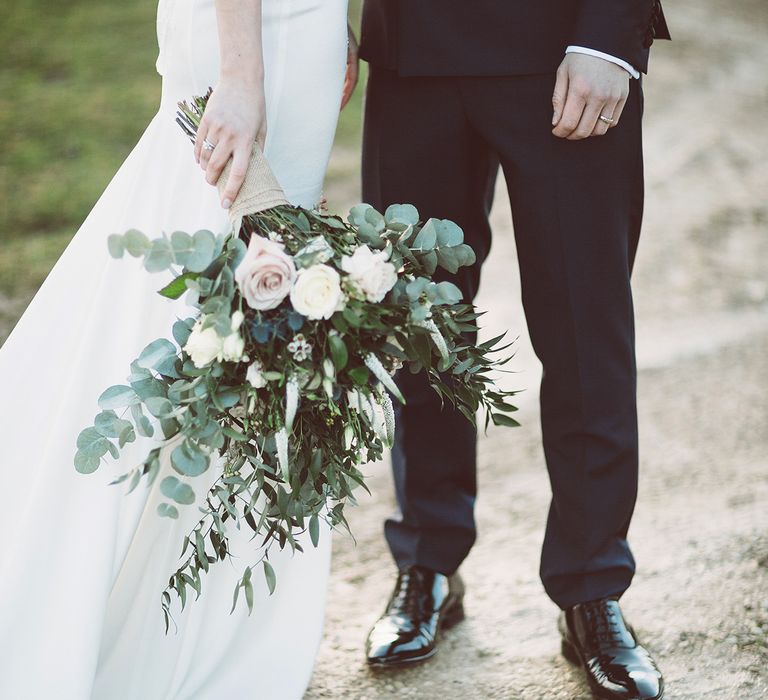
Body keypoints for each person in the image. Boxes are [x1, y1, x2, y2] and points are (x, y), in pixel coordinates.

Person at [0, 1, 356, 697]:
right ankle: (73, 596)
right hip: (252, 42)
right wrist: (242, 75)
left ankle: (184, 614)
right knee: (188, 307)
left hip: (291, 31)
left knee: (237, 316)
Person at [359, 2, 671, 698]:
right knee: (418, 323)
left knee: (586, 332)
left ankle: (592, 589)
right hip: (416, 46)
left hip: (566, 45)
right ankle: (429, 563)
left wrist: (608, 37)